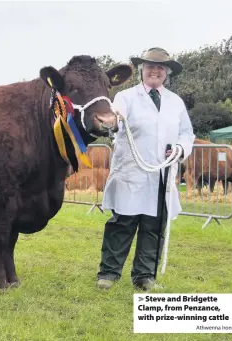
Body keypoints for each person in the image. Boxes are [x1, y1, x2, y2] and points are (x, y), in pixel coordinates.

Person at [97, 47, 195, 291]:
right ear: (142, 70)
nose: (155, 71)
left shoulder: (175, 102)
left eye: (160, 67)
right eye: (150, 66)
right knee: (123, 222)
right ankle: (109, 273)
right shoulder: (126, 97)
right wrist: (113, 121)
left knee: (153, 226)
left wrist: (181, 149)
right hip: (132, 170)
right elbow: (116, 120)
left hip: (161, 173)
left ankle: (144, 277)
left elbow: (187, 133)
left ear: (167, 73)